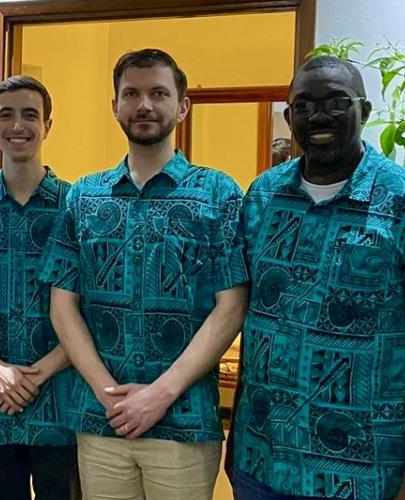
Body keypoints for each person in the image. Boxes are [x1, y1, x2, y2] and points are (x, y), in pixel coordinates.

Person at [228, 55, 405, 500]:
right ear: (289, 116)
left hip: (368, 473)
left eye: (337, 102)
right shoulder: (263, 195)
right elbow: (254, 316)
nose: (318, 115)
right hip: (262, 459)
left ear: (365, 111)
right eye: (303, 105)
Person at [40, 48, 249, 499]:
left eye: (158, 93)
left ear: (182, 105)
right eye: (131, 93)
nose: (144, 105)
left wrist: (159, 394)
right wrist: (108, 391)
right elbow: (63, 304)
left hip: (184, 424)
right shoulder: (84, 196)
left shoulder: (217, 193)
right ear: (114, 105)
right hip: (102, 420)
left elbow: (231, 307)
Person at [0, 75, 78, 500]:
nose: (17, 125)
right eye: (6, 115)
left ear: (48, 124)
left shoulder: (77, 205)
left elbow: (95, 308)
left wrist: (34, 374)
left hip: (61, 407)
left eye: (30, 114)